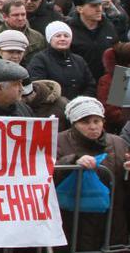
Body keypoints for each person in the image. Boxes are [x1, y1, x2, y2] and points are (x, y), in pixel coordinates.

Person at [56, 97, 129, 251]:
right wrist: (72, 161)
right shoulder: (58, 142)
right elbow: (49, 173)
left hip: (112, 224)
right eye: (85, 122)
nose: (93, 127)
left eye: (97, 121)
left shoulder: (119, 143)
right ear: (74, 123)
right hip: (72, 223)